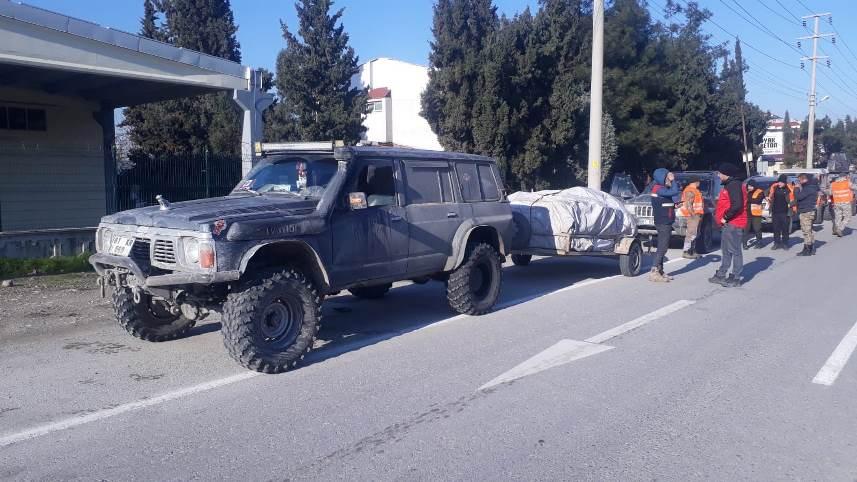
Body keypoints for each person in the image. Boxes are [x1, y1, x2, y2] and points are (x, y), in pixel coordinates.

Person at [710, 163, 747, 287]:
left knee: (735, 250)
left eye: (720, 173)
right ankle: (721, 274)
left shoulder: (734, 185)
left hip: (734, 223)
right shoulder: (730, 184)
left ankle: (735, 277)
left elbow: (737, 205)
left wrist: (725, 217)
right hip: (729, 223)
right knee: (726, 250)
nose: (718, 175)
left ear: (726, 173)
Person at [649, 168, 680, 282]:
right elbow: (675, 191)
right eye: (668, 178)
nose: (669, 180)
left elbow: (664, 202)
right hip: (663, 222)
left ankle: (660, 271)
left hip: (664, 220)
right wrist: (673, 180)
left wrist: (674, 205)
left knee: (662, 246)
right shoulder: (658, 189)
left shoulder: (660, 189)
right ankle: (654, 272)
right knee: (663, 247)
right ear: (662, 178)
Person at [794, 173, 820, 256]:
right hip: (808, 210)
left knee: (806, 230)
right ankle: (809, 248)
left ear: (805, 180)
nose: (799, 182)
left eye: (800, 180)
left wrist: (796, 188)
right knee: (808, 230)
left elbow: (798, 197)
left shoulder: (808, 188)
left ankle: (808, 249)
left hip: (806, 211)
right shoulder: (811, 187)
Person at [767, 174, 795, 250]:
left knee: (785, 229)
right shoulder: (774, 188)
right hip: (775, 211)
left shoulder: (789, 189)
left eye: (781, 182)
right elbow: (766, 192)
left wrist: (791, 204)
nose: (780, 183)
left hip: (785, 212)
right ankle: (776, 243)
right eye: (779, 182)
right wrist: (767, 196)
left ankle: (785, 243)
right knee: (776, 229)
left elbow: (795, 199)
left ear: (785, 183)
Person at [679, 176, 704, 259]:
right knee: (691, 233)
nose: (699, 183)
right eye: (699, 181)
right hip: (692, 215)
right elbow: (688, 205)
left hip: (696, 215)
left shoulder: (694, 190)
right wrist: (693, 215)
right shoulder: (690, 190)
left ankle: (692, 251)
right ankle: (686, 251)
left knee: (694, 233)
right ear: (695, 182)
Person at [743, 180, 765, 249]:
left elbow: (757, 200)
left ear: (754, 186)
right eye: (748, 186)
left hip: (756, 214)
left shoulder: (760, 192)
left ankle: (759, 243)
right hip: (747, 213)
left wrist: (748, 199)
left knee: (757, 229)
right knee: (746, 229)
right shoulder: (746, 192)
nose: (749, 187)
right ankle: (744, 244)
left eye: (751, 186)